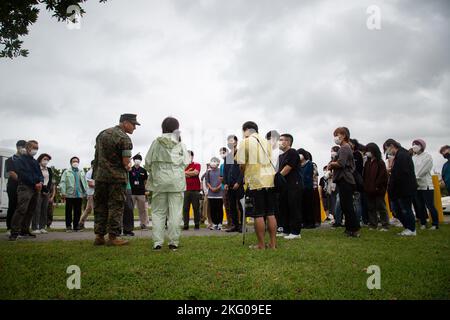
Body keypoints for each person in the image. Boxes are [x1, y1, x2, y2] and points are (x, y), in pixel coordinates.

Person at [145, 117, 190, 251]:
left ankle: (157, 243)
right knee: (175, 213)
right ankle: (173, 242)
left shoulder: (156, 143)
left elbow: (147, 162)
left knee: (158, 213)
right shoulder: (181, 144)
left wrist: (155, 170)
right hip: (176, 182)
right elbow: (186, 162)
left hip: (159, 182)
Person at [93, 114, 137, 246]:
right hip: (116, 179)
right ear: (125, 123)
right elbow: (126, 162)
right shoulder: (124, 138)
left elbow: (96, 156)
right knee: (116, 207)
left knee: (100, 206)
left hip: (100, 177)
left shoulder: (102, 134)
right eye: (133, 124)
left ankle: (99, 236)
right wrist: (128, 167)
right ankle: (113, 236)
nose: (135, 128)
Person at [236, 121, 277, 250]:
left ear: (245, 130)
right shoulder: (266, 142)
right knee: (270, 213)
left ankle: (260, 245)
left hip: (255, 181)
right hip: (270, 180)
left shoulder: (245, 142)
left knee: (258, 214)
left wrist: (244, 170)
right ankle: (273, 244)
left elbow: (241, 164)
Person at [328, 127, 360, 238]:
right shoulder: (345, 147)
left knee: (347, 205)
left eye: (338, 134)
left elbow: (341, 163)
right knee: (345, 205)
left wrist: (331, 164)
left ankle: (354, 229)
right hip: (344, 179)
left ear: (344, 135)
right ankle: (349, 228)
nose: (336, 137)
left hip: (346, 179)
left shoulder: (345, 148)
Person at [9, 140, 44, 241]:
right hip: (25, 187)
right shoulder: (19, 160)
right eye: (34, 148)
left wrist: (40, 182)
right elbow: (23, 174)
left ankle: (24, 230)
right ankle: (14, 232)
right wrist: (34, 183)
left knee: (31, 210)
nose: (35, 150)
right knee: (21, 209)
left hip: (35, 188)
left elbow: (40, 174)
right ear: (28, 148)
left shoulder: (35, 162)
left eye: (37, 148)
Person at [383, 139, 417, 236]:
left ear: (392, 145)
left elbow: (402, 173)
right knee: (397, 210)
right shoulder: (399, 155)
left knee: (405, 209)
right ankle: (407, 227)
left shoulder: (402, 155)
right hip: (399, 188)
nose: (388, 152)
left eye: (387, 149)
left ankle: (411, 229)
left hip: (404, 188)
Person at [276, 134, 302, 239]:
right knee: (284, 207)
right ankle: (286, 230)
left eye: (282, 140)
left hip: (293, 184)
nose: (280, 142)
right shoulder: (281, 155)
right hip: (284, 185)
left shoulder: (293, 152)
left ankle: (296, 232)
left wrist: (278, 177)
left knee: (293, 207)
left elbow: (288, 167)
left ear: (288, 142)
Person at [411, 139, 440, 230]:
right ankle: (423, 223)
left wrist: (416, 177)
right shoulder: (413, 158)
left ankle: (435, 224)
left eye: (417, 144)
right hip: (417, 186)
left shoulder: (427, 156)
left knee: (430, 205)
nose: (414, 146)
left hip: (426, 185)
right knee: (420, 206)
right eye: (413, 144)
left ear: (422, 146)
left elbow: (425, 169)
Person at [363, 143, 389, 231]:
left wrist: (377, 186)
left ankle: (385, 225)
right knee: (371, 208)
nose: (367, 153)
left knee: (381, 207)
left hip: (378, 189)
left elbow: (383, 176)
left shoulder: (380, 162)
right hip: (368, 189)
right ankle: (373, 224)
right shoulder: (367, 163)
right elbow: (365, 176)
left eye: (368, 151)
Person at [59, 157, 87, 232]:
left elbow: (85, 182)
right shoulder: (67, 172)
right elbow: (63, 182)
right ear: (71, 163)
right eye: (74, 161)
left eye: (77, 161)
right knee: (68, 211)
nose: (75, 162)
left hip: (79, 194)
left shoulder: (81, 172)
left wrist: (85, 192)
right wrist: (63, 192)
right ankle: (68, 226)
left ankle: (76, 226)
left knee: (78, 211)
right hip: (69, 194)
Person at [223, 135, 244, 233]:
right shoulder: (228, 156)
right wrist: (226, 183)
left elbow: (243, 170)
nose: (230, 143)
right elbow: (226, 171)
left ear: (236, 142)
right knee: (231, 206)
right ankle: (235, 225)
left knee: (240, 206)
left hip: (238, 185)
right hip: (230, 185)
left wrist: (239, 182)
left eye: (232, 141)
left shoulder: (240, 153)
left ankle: (242, 226)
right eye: (228, 141)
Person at [5, 140, 27, 234]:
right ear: (18, 147)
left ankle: (20, 227)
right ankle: (9, 227)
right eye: (24, 147)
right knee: (13, 206)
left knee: (22, 207)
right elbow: (11, 173)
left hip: (25, 187)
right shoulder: (10, 160)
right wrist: (23, 180)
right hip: (13, 186)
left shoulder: (26, 160)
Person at [32, 153, 54, 234]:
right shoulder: (36, 168)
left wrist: (47, 190)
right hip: (38, 190)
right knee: (37, 209)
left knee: (44, 210)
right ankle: (35, 227)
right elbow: (36, 179)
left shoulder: (49, 170)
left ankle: (42, 227)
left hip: (46, 191)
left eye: (47, 160)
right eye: (44, 159)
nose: (46, 161)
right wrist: (42, 190)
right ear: (40, 159)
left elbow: (50, 181)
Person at [129, 154, 149, 230]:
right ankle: (129, 226)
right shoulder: (130, 170)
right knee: (130, 210)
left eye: (139, 159)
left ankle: (143, 224)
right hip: (132, 193)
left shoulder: (143, 170)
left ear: (141, 160)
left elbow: (146, 181)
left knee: (142, 210)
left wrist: (145, 190)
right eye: (136, 159)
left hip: (141, 193)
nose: (137, 160)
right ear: (133, 160)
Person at [183, 151, 202, 230]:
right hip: (185, 190)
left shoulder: (197, 164)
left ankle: (197, 224)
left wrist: (185, 173)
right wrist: (188, 172)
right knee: (185, 209)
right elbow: (180, 173)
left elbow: (196, 173)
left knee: (196, 208)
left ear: (192, 156)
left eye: (189, 155)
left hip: (195, 190)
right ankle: (186, 225)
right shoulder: (183, 166)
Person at [298, 148, 314, 229]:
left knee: (309, 205)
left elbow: (308, 176)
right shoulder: (298, 165)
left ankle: (310, 222)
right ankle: (304, 222)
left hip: (308, 187)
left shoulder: (309, 164)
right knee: (302, 206)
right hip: (301, 188)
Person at [206, 157, 224, 230]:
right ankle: (214, 223)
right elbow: (207, 181)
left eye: (215, 161)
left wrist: (217, 188)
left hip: (219, 194)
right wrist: (211, 188)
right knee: (212, 209)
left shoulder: (220, 171)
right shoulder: (208, 172)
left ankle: (220, 223)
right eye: (212, 161)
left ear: (218, 163)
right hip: (211, 194)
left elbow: (223, 181)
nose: (213, 163)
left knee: (219, 209)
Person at [79, 161, 95, 230]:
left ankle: (81, 223)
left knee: (88, 209)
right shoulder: (90, 172)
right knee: (95, 209)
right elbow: (90, 184)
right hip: (91, 193)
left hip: (96, 193)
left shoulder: (97, 172)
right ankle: (98, 226)